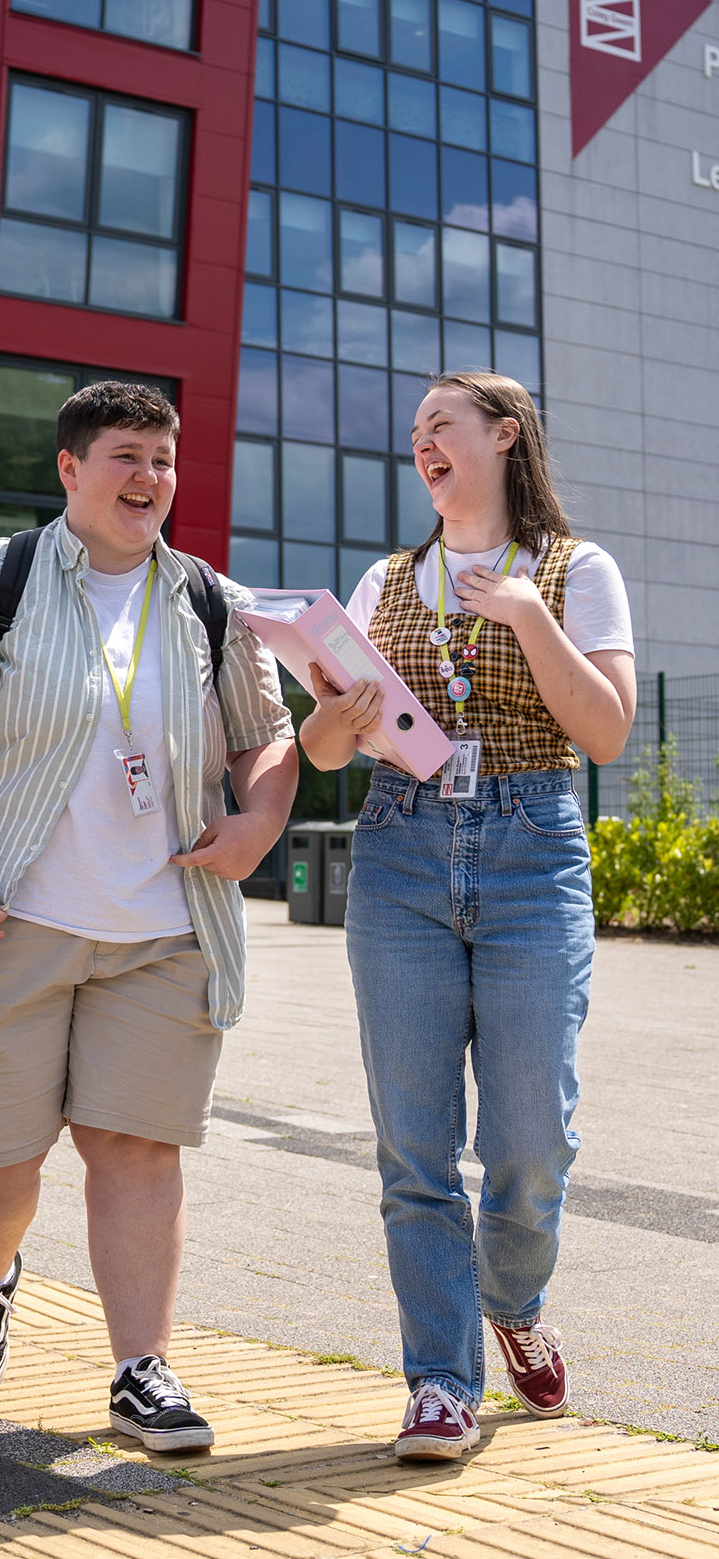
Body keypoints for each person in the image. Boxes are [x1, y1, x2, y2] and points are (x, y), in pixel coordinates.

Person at [0, 382, 297, 1452]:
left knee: (135, 1146)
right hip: (1, 921)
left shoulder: (210, 598)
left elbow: (266, 734)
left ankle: (138, 1370)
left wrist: (255, 824)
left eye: (162, 460)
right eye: (125, 456)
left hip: (162, 933)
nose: (149, 478)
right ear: (69, 469)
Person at [300, 371, 635, 1462]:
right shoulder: (386, 577)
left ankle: (512, 1302)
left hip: (530, 849)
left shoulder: (576, 572)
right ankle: (437, 1382)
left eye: (440, 424)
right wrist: (335, 722)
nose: (421, 444)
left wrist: (530, 616)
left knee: (530, 1141)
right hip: (398, 846)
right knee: (414, 1146)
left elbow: (606, 733)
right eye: (413, 434)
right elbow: (319, 752)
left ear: (503, 436)